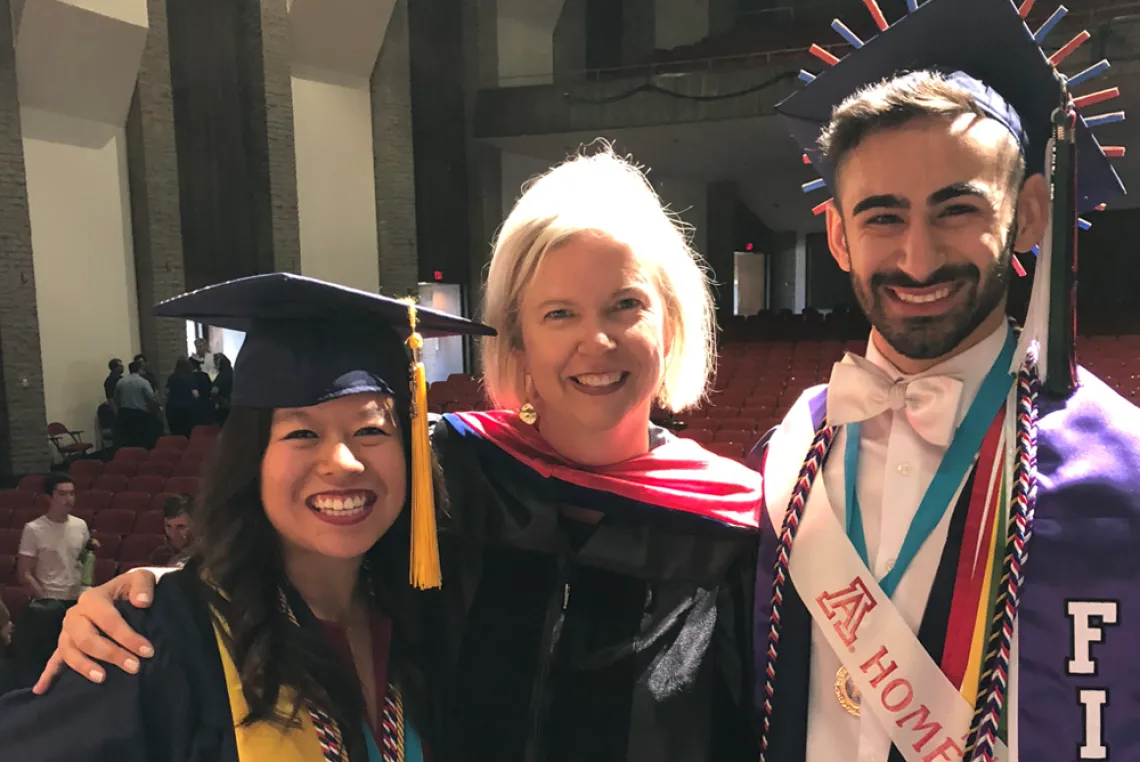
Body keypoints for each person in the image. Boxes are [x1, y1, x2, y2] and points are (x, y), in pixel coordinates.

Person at [36, 149, 765, 761]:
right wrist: (157, 597)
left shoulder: (732, 529)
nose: (595, 342)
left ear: (672, 321)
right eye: (559, 313)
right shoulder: (456, 470)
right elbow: (304, 542)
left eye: (625, 305)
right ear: (516, 340)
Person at [750, 1, 1138, 760]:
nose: (918, 259)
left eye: (956, 210)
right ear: (837, 235)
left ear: (1029, 214)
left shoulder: (1123, 468)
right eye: (882, 217)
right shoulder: (789, 452)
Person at [0, 273, 493, 761]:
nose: (343, 463)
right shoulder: (154, 639)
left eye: (371, 431)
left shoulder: (426, 618)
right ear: (251, 460)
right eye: (302, 434)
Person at [12, 474, 94, 676]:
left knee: (76, 663)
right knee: (48, 662)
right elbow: (25, 572)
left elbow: (84, 559)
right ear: (49, 497)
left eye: (72, 493)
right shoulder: (34, 529)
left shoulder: (80, 525)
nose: (69, 499)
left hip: (76, 600)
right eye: (62, 494)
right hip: (49, 602)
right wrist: (44, 599)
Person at [113, 361, 160, 448]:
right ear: (140, 369)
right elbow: (151, 398)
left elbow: (116, 399)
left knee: (128, 441)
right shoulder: (143, 382)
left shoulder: (121, 382)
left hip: (124, 414)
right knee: (141, 441)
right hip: (139, 415)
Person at [149, 494, 193, 566]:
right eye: (168, 526)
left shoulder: (209, 556)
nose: (173, 534)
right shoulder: (160, 556)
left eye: (181, 526)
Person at [165, 356, 199, 438]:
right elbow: (195, 394)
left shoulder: (172, 377)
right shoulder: (191, 377)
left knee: (176, 433)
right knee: (187, 433)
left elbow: (166, 392)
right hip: (188, 408)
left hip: (173, 408)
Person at [213, 353, 234, 426]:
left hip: (223, 406)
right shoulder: (233, 373)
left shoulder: (221, 376)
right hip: (234, 405)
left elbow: (214, 391)